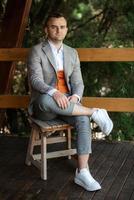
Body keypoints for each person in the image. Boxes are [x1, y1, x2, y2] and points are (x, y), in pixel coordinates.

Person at [27, 12, 113, 192]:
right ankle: (94, 112)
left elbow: (78, 83)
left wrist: (76, 97)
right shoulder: (37, 50)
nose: (58, 30)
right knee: (45, 100)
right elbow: (35, 80)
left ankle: (82, 172)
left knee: (82, 120)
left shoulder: (72, 53)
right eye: (54, 26)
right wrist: (54, 92)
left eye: (62, 27)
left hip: (69, 104)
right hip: (46, 106)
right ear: (46, 29)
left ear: (66, 30)